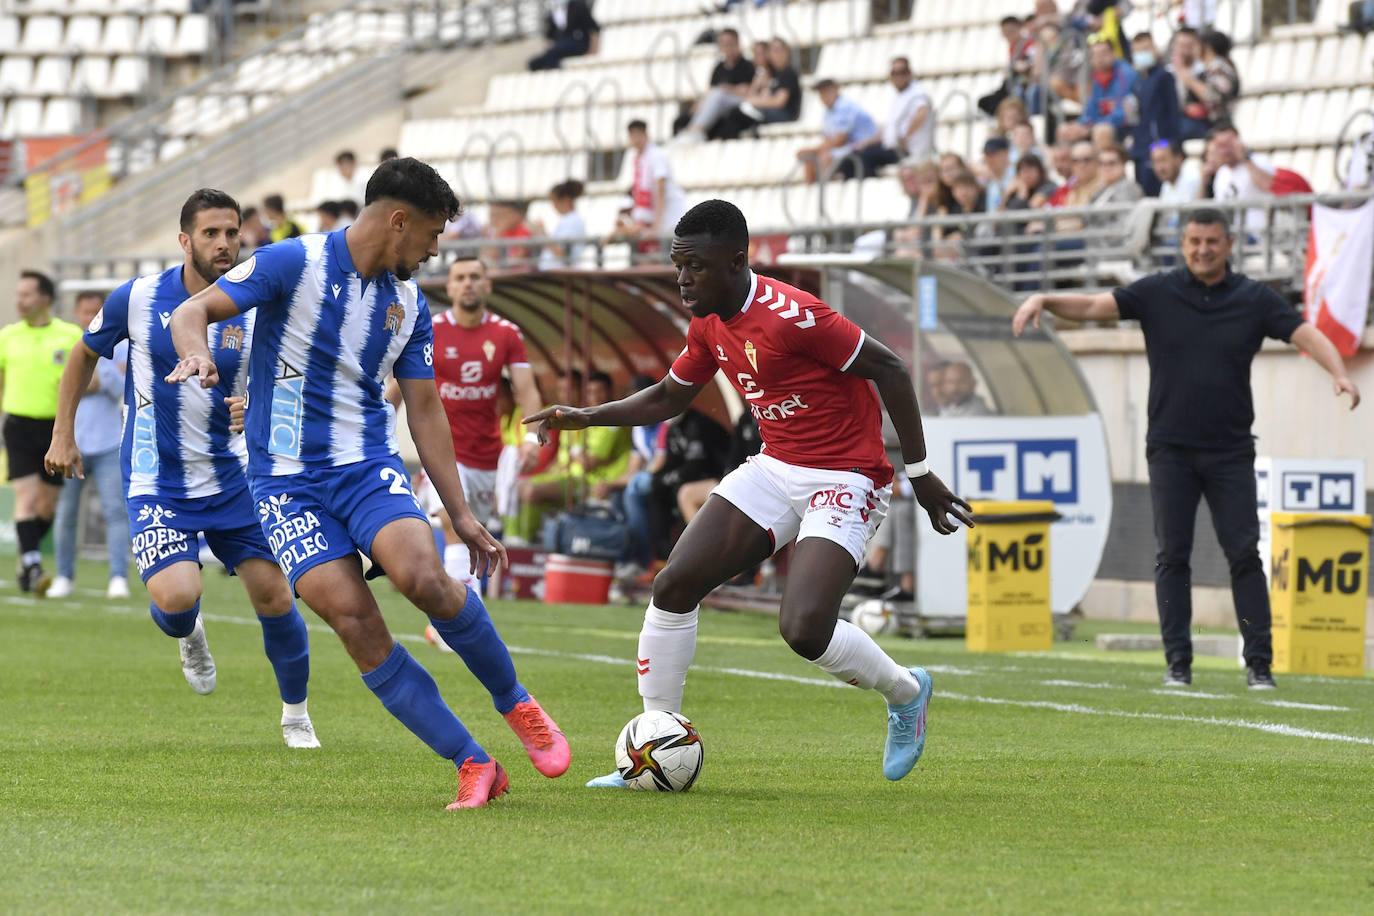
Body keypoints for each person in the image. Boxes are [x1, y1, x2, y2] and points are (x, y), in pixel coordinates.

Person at [163, 159, 570, 809]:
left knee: (425, 578)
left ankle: (516, 703)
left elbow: (426, 408)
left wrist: (461, 514)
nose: (436, 250)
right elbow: (193, 311)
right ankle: (473, 762)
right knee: (354, 621)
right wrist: (198, 351)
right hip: (284, 485)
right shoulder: (291, 263)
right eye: (433, 234)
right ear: (399, 220)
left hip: (363, 466)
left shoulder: (408, 305)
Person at [526, 199, 973, 787]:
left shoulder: (793, 316)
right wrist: (587, 415)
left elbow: (889, 368)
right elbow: (668, 396)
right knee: (673, 584)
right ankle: (651, 747)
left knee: (805, 628)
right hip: (775, 466)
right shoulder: (708, 320)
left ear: (737, 260)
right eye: (677, 265)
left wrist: (919, 473)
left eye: (696, 267)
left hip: (846, 475)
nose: (683, 279)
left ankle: (906, 693)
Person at [1012, 208, 1360, 691]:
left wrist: (1340, 372)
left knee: (1244, 556)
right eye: (1194, 241)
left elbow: (1304, 333)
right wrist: (1045, 298)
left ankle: (1259, 665)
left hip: (1231, 451)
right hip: (1171, 449)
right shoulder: (1157, 292)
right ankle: (1178, 664)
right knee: (1171, 556)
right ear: (1183, 244)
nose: (1202, 249)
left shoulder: (1255, 299)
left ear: (1229, 243)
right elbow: (1095, 307)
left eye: (1212, 241)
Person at [43, 189, 320, 747]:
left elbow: (287, 375)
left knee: (275, 596)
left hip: (236, 475)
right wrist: (62, 432)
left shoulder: (261, 300)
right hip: (157, 476)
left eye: (231, 232)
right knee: (175, 599)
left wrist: (254, 407)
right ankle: (187, 629)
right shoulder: (139, 298)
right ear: (185, 240)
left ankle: (296, 714)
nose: (224, 244)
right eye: (211, 233)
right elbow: (82, 354)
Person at [390, 256, 544, 600]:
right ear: (450, 287)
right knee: (453, 524)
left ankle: (457, 609)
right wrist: (378, 429)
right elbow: (398, 386)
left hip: (488, 456)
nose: (468, 283)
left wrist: (532, 437)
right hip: (443, 452)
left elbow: (527, 390)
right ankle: (461, 617)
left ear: (487, 285)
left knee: (476, 533)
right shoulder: (431, 329)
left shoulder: (507, 334)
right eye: (460, 277)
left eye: (476, 276)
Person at [1, 270, 82, 592]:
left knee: (47, 506)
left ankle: (26, 558)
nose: (20, 301)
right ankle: (33, 562)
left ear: (45, 298)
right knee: (27, 498)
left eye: (27, 295)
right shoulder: (8, 336)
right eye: (18, 295)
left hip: (55, 429)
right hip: (19, 425)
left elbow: (84, 378)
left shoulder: (69, 335)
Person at [45, 290, 130, 600]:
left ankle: (118, 577)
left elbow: (123, 386)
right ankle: (64, 576)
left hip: (109, 442)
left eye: (97, 311)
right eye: (85, 311)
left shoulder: (120, 348)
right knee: (66, 514)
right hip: (72, 443)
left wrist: (100, 376)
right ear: (77, 313)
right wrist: (96, 379)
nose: (91, 317)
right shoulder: (68, 343)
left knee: (115, 512)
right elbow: (57, 384)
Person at [674, 28, 756, 143]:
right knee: (707, 101)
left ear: (737, 44)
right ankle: (692, 129)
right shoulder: (719, 67)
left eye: (729, 44)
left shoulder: (746, 65)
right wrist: (701, 103)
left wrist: (728, 89)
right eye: (723, 44)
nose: (726, 47)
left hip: (740, 102)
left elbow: (749, 90)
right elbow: (710, 90)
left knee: (718, 95)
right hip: (720, 103)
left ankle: (696, 130)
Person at [1124, 31, 1180, 196]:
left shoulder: (1164, 77)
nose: (1142, 54)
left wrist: (1171, 144)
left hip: (1158, 145)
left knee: (1157, 192)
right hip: (1140, 147)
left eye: (1146, 49)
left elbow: (1173, 112)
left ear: (1155, 49)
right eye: (1138, 51)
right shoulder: (1137, 81)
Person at [796, 79, 879, 183]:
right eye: (822, 93)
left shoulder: (844, 106)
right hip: (850, 147)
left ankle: (826, 193)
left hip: (865, 147)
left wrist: (813, 150)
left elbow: (840, 139)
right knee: (810, 159)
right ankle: (812, 194)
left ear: (836, 90)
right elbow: (830, 139)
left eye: (826, 92)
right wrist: (814, 151)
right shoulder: (829, 111)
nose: (824, 97)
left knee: (824, 157)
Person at [861, 57, 935, 172]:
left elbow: (922, 112)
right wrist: (865, 143)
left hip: (906, 150)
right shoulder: (899, 96)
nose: (898, 76)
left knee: (864, 158)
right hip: (893, 147)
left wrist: (905, 138)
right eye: (894, 73)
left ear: (910, 73)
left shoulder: (917, 92)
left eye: (902, 72)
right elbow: (888, 129)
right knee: (857, 155)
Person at [1204, 122, 1275, 234]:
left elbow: (1268, 185)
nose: (1225, 151)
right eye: (1220, 146)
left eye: (1228, 145)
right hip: (1233, 235)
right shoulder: (1221, 173)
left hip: (1259, 234)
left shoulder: (1259, 161)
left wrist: (1244, 158)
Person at [627, 120, 688, 240]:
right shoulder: (638, 159)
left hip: (671, 219)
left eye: (638, 135)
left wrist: (657, 225)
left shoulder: (656, 155)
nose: (636, 139)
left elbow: (661, 188)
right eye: (633, 136)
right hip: (658, 220)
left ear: (645, 135)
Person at [1176, 28, 1239, 139]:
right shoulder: (1211, 68)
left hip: (1218, 127)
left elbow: (1214, 95)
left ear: (1207, 48)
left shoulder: (1218, 67)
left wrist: (1188, 80)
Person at [1079, 37, 1136, 143]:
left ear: (1113, 53)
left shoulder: (1125, 73)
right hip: (1101, 124)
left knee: (1101, 131)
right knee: (1065, 130)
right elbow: (1090, 110)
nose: (1100, 58)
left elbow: (1122, 114)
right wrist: (1081, 125)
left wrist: (1093, 125)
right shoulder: (1096, 78)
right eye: (1095, 55)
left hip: (1127, 127)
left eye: (1104, 53)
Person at [528, 0, 599, 70]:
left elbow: (593, 30)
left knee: (552, 53)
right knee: (534, 63)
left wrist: (592, 51)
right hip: (560, 46)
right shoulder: (553, 11)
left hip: (578, 43)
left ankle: (553, 74)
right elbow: (549, 36)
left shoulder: (578, 6)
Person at [539, 179, 587, 269]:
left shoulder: (573, 221)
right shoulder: (568, 220)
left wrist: (543, 234)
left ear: (566, 200)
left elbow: (561, 253)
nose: (554, 207)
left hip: (560, 273)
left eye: (555, 202)